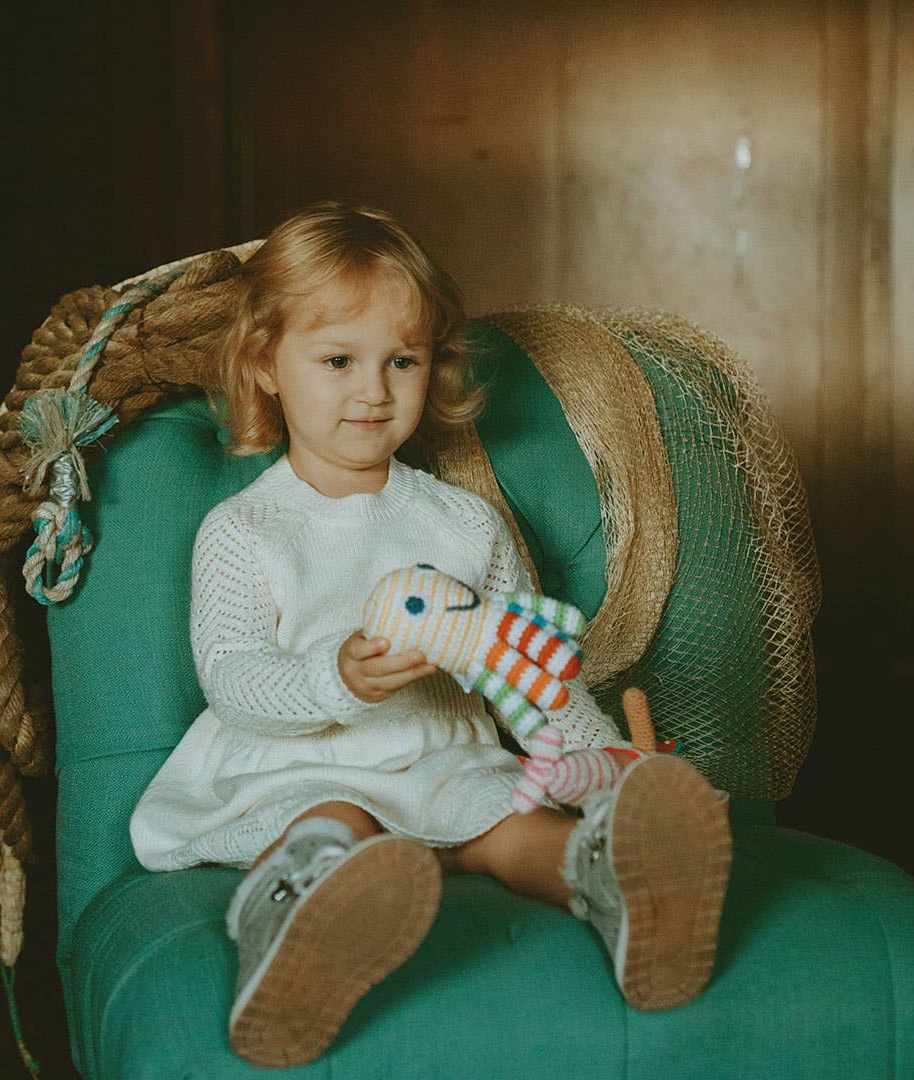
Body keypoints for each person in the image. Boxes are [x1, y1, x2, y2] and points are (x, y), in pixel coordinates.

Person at [129, 200, 732, 1069]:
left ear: (431, 367)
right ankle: (303, 935)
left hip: (440, 762)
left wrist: (608, 773)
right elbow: (232, 675)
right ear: (266, 363)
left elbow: (530, 672)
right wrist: (336, 676)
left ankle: (627, 890)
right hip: (304, 764)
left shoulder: (464, 526)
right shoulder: (245, 531)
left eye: (400, 360)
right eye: (338, 360)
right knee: (334, 821)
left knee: (508, 829)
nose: (373, 391)